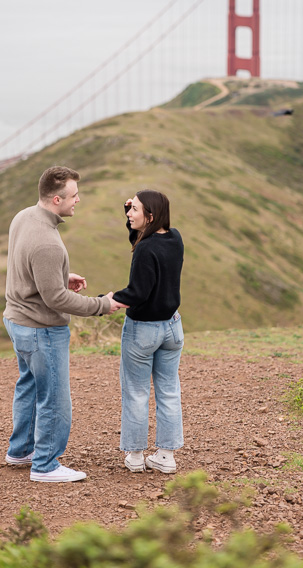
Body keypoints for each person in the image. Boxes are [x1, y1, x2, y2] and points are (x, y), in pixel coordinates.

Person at [3, 165, 123, 483]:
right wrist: (103, 305)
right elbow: (56, 300)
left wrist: (58, 276)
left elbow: (25, 263)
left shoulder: (24, 216)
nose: (78, 200)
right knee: (55, 397)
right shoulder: (48, 244)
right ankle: (45, 465)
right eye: (73, 195)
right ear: (56, 199)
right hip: (41, 329)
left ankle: (21, 451)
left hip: (16, 321)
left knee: (29, 386)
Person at [113, 190, 184, 474]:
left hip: (143, 331)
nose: (130, 214)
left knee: (136, 393)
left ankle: (134, 457)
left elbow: (137, 293)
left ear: (150, 217)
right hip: (172, 327)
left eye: (135, 210)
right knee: (168, 391)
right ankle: (166, 456)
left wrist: (107, 300)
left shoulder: (145, 249)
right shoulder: (175, 238)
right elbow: (139, 236)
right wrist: (129, 208)